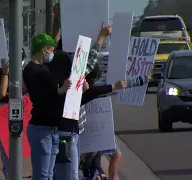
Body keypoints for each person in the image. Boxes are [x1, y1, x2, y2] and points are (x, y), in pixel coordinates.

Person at [47, 51, 127, 180]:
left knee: (66, 172)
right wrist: (113, 86)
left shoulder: (62, 87)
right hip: (66, 136)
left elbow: (85, 96)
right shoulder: (62, 88)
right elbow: (90, 92)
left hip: (72, 134)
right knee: (70, 174)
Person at [23, 33, 74, 180]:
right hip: (41, 128)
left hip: (51, 128)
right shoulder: (32, 70)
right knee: (43, 175)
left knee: (49, 174)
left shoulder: (43, 69)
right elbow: (40, 98)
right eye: (51, 50)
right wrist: (59, 90)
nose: (52, 53)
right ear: (44, 50)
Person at [0, 48, 27, 180]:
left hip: (23, 115)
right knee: (6, 152)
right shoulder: (0, 73)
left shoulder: (26, 72)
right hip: (3, 114)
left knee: (19, 150)